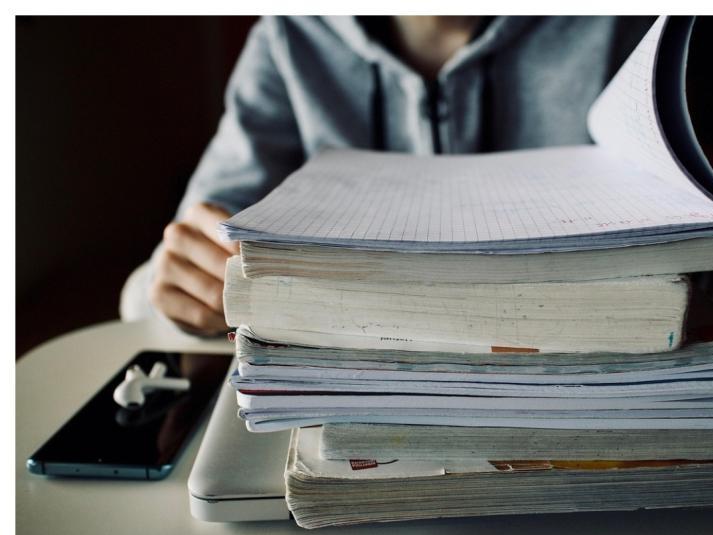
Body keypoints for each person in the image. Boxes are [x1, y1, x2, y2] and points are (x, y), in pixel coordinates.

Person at [120, 15, 653, 335]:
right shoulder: (290, 36)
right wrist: (174, 287)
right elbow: (161, 282)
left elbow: (710, 277)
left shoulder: (629, 28)